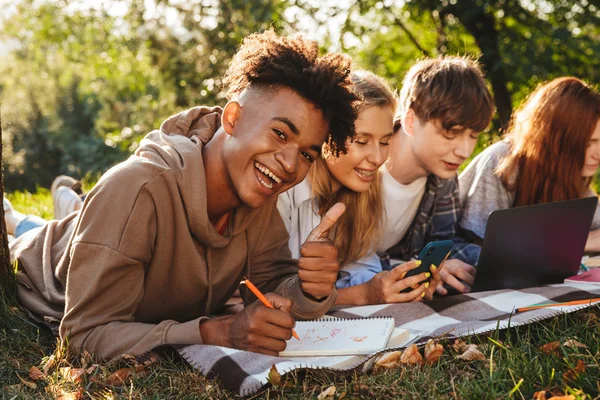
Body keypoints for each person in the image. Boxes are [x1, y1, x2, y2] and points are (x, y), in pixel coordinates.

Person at [9, 30, 359, 360]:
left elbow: (271, 291)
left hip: (88, 233)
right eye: (280, 134)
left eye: (307, 155)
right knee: (38, 231)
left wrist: (310, 288)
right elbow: (84, 337)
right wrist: (216, 332)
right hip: (36, 268)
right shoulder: (136, 190)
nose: (288, 164)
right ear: (233, 118)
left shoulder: (259, 197)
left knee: (66, 221)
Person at [278, 70, 440, 306]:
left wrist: (400, 286)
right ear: (327, 135)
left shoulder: (363, 195)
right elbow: (267, 297)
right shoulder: (286, 188)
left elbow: (363, 273)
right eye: (361, 141)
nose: (377, 158)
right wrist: (364, 295)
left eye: (385, 142)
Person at [378, 56, 495, 296]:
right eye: (451, 133)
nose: (464, 151)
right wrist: (425, 268)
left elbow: (443, 245)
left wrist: (502, 257)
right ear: (411, 122)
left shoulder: (444, 176)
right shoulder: (362, 163)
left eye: (473, 136)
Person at [459, 77, 600, 251]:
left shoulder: (569, 173)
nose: (598, 154)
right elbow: (480, 247)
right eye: (587, 143)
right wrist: (571, 243)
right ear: (557, 139)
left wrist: (577, 242)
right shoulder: (502, 162)